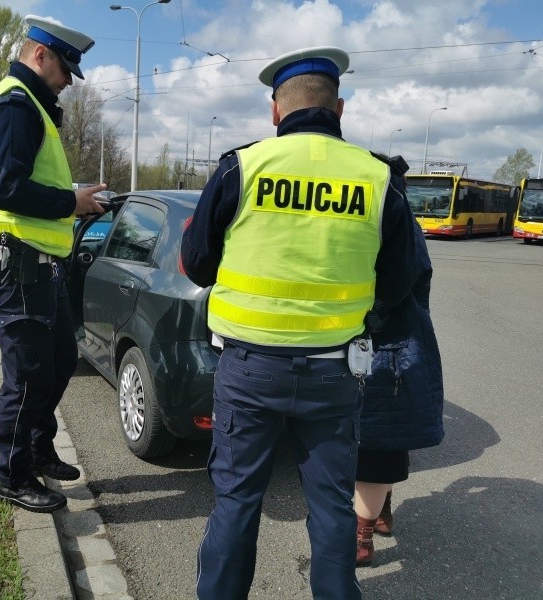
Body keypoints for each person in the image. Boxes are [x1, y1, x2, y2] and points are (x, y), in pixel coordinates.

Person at [180, 46, 421, 599]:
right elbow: (403, 275)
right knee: (333, 508)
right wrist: (362, 317)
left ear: (275, 112)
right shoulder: (378, 178)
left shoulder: (242, 167)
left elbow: (196, 263)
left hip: (247, 370)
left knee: (237, 503)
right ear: (339, 109)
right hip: (335, 373)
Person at [0, 15, 105, 513]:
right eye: (65, 69)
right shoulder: (14, 105)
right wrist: (71, 204)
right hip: (18, 263)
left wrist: (73, 196)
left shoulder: (32, 106)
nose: (68, 81)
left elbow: (24, 181)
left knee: (60, 363)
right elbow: (6, 187)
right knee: (27, 376)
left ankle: (38, 447)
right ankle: (14, 476)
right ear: (39, 55)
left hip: (39, 263)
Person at [355, 223, 444, 566]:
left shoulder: (388, 210)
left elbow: (402, 281)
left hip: (383, 345)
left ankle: (361, 538)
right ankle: (379, 514)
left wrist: (365, 316)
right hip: (399, 344)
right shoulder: (397, 212)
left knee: (374, 444)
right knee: (388, 435)